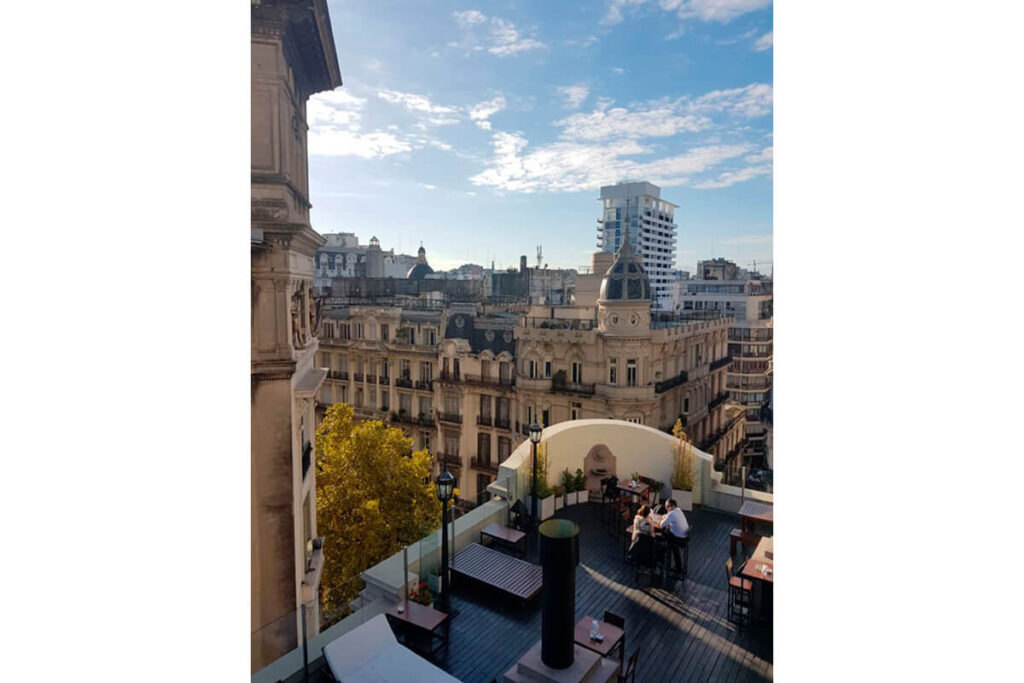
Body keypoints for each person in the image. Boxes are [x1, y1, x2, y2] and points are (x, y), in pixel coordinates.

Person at [654, 499, 690, 575]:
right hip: (685, 536)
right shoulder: (678, 510)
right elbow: (668, 516)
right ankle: (677, 566)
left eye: (667, 507)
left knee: (659, 535)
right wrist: (665, 517)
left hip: (678, 539)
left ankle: (659, 555)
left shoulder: (672, 514)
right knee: (666, 531)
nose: (666, 509)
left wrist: (660, 520)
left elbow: (661, 525)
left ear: (672, 506)